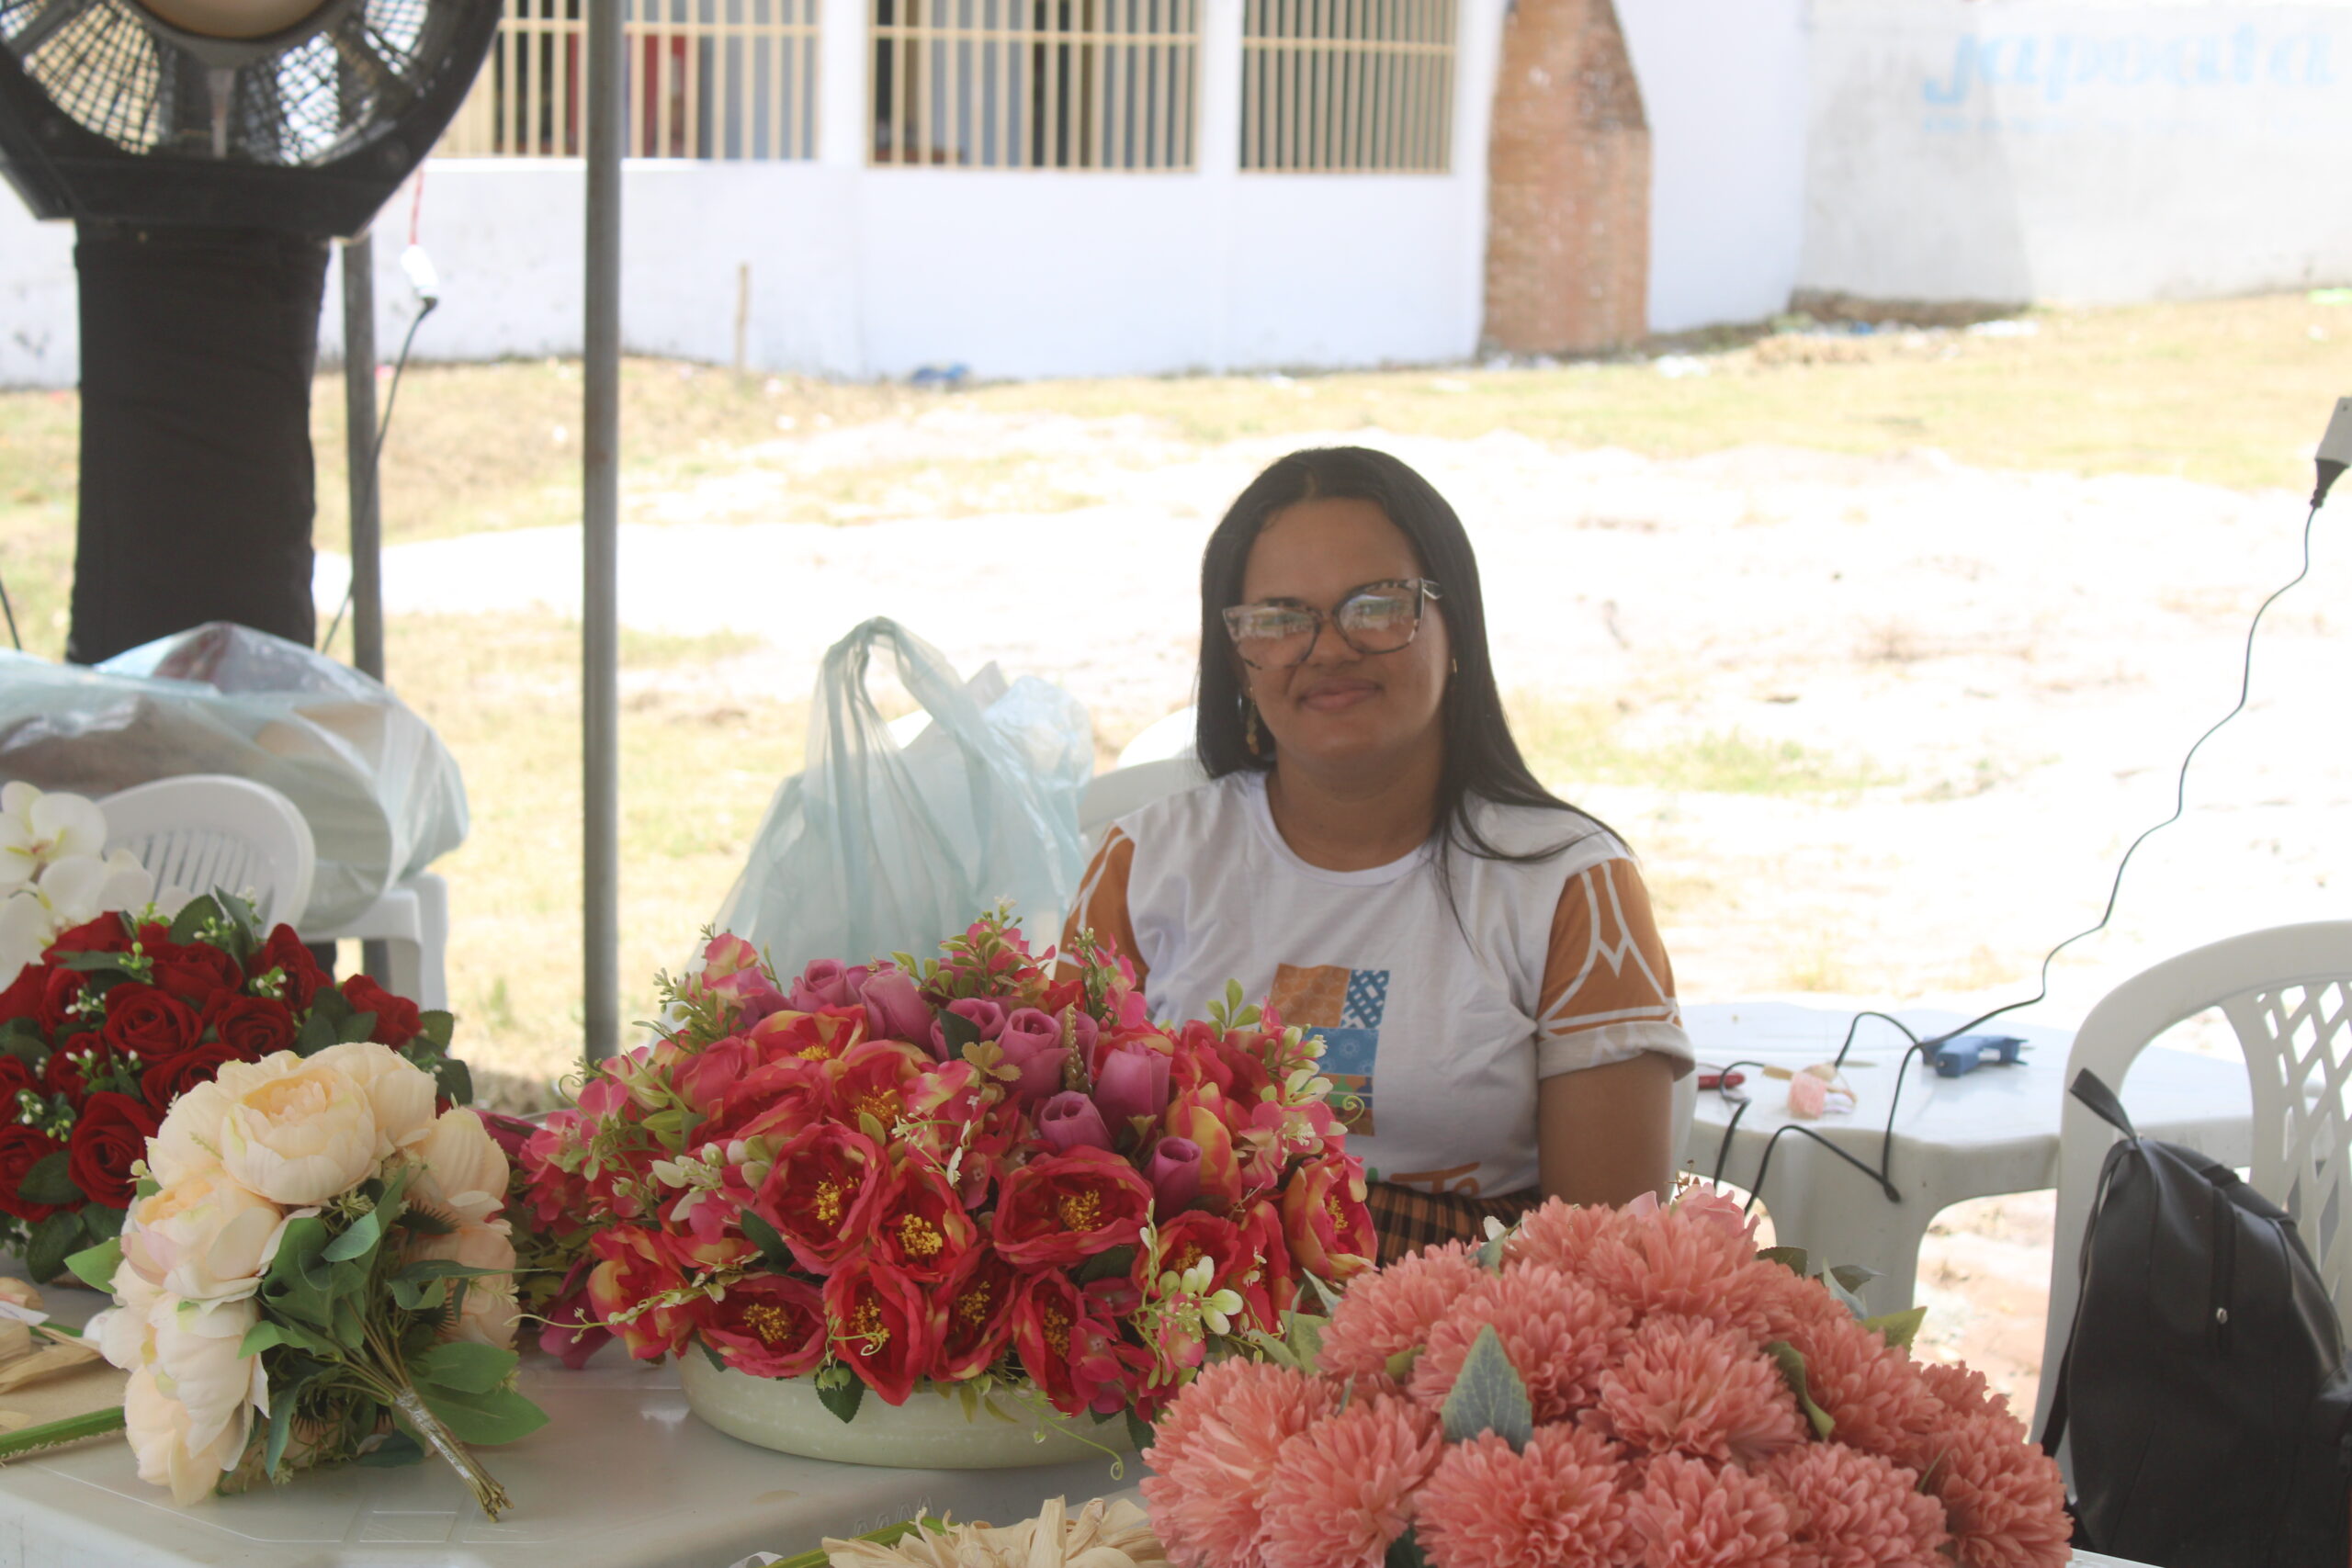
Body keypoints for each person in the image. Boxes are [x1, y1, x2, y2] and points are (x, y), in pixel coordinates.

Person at [1062, 446, 1691, 1263]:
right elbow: (1065, 1176)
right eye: (1279, 618)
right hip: (1184, 1331)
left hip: (1479, 1334)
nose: (1327, 648)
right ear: (1238, 659)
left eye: (1377, 605)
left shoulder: (1569, 886)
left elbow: (1607, 1260)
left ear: (1456, 627)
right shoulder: (1145, 862)